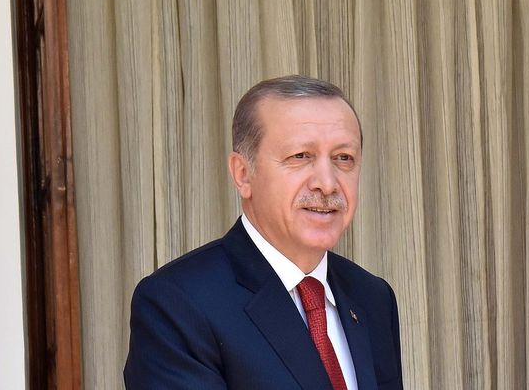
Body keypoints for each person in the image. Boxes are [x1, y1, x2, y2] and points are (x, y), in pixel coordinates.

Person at [125, 75, 402, 389]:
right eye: (300, 157)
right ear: (243, 175)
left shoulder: (372, 297)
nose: (327, 183)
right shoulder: (177, 304)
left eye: (344, 158)